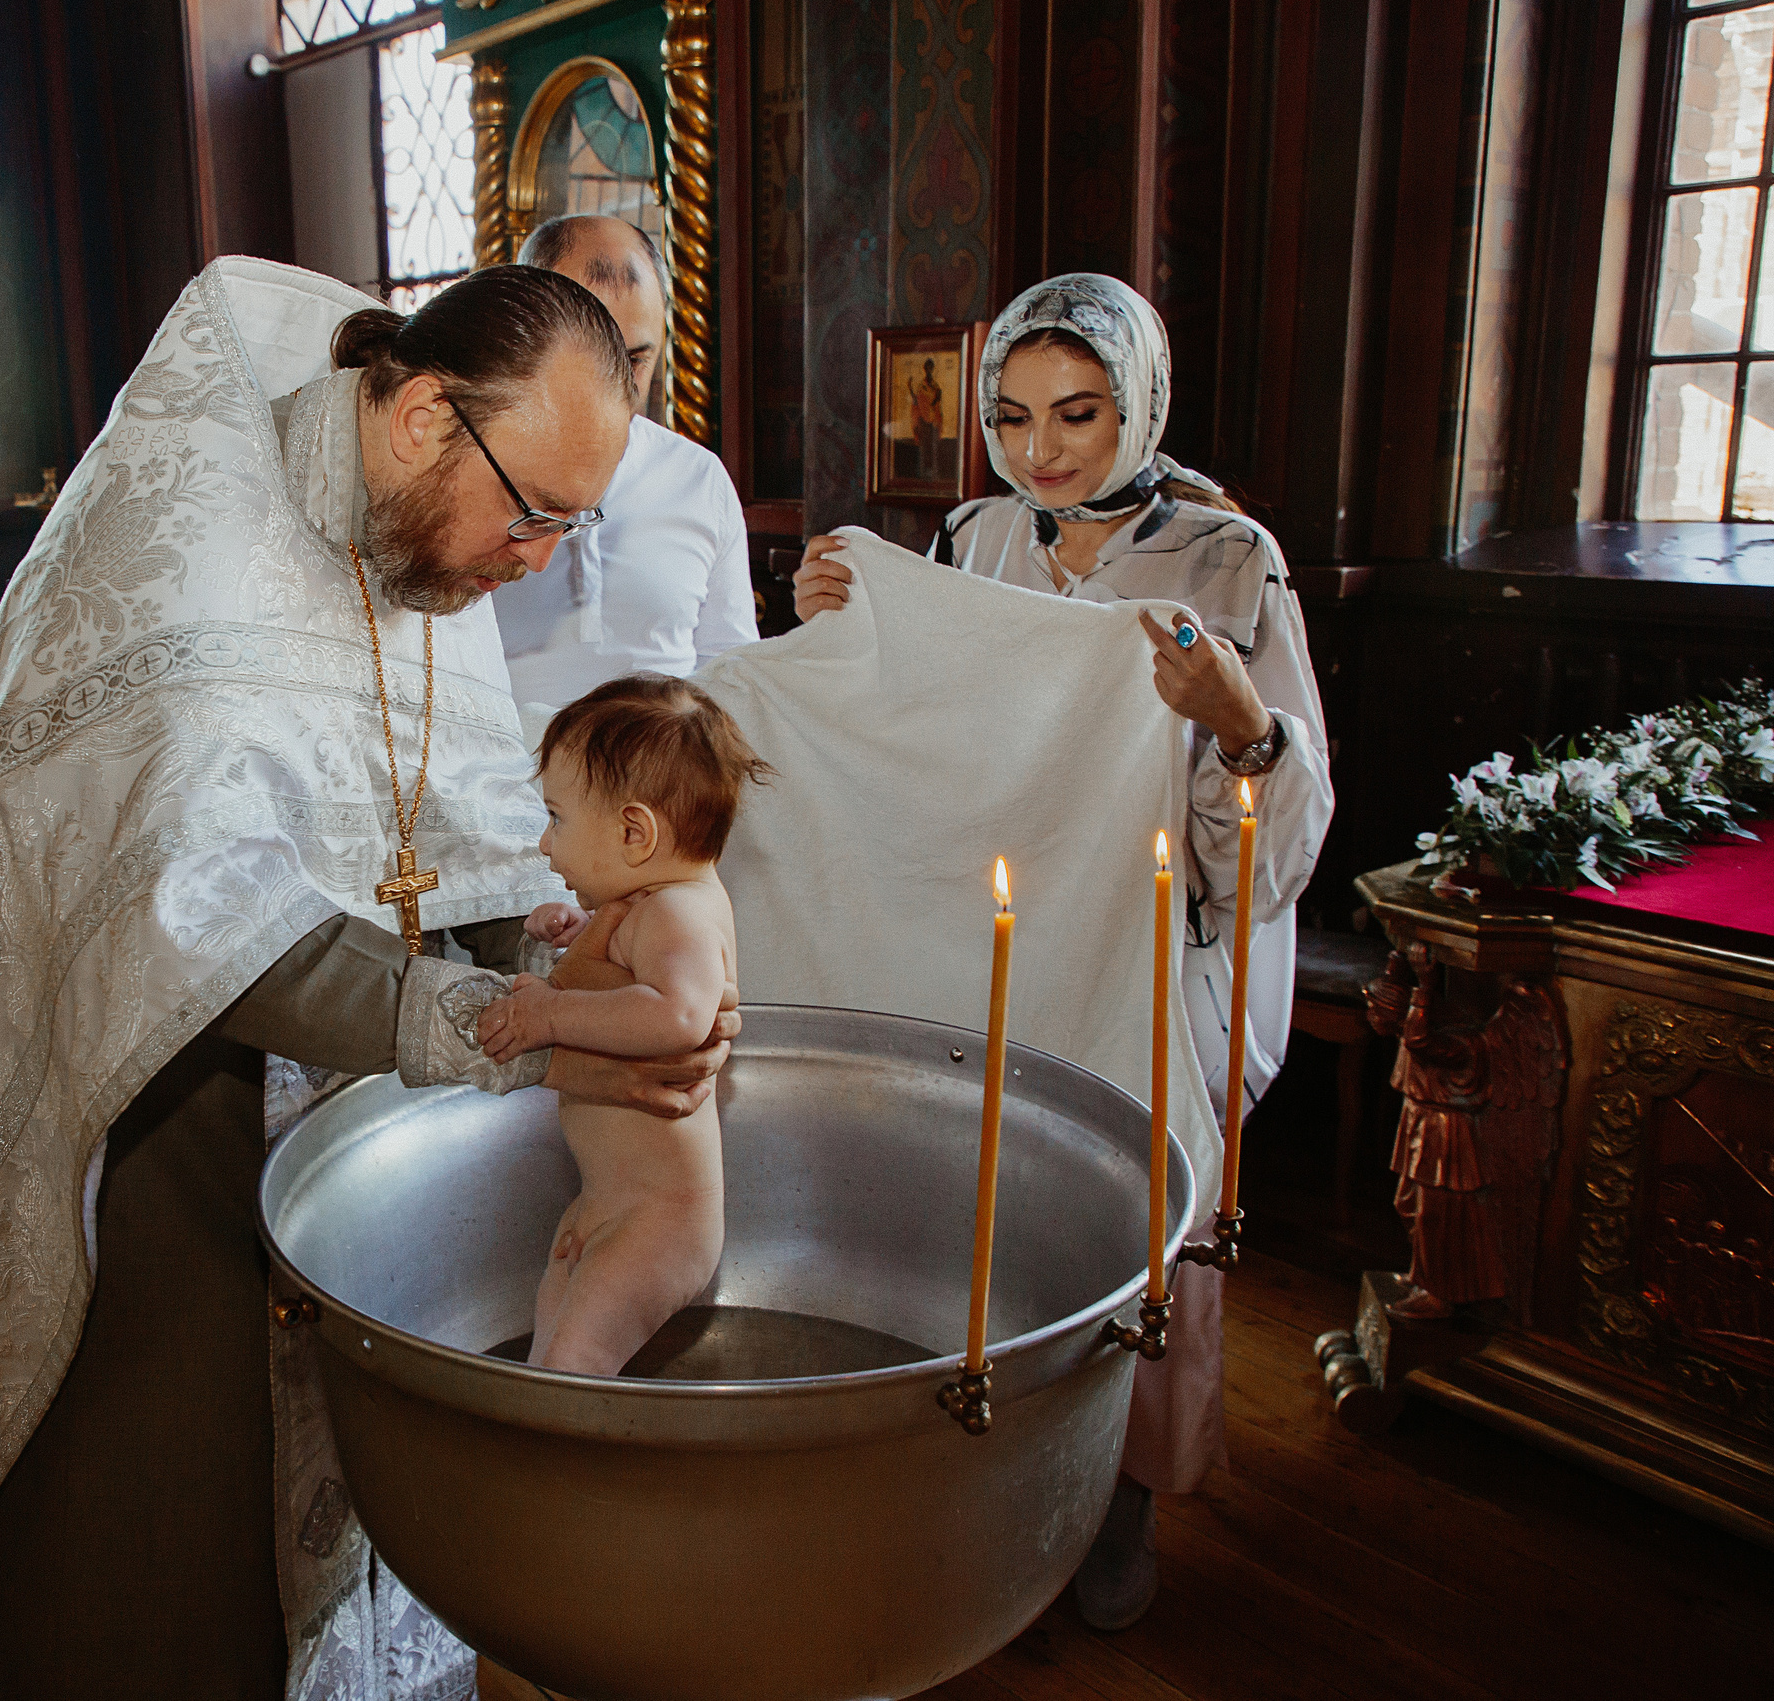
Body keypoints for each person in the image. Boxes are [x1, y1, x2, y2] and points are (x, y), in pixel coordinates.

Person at [0, 258, 743, 1701]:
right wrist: (504, 1024)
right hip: (148, 1122)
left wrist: (598, 960)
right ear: (417, 420)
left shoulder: (429, 537)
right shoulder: (191, 545)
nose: (537, 561)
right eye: (533, 514)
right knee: (158, 1558)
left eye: (571, 526)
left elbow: (456, 823)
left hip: (354, 1119)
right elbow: (192, 903)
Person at [792, 271, 1335, 1630]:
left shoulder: (1227, 560)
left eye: (1082, 414)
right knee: (994, 1209)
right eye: (1017, 415)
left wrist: (1240, 721)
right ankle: (995, 1482)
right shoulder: (976, 538)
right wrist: (841, 633)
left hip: (1157, 938)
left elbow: (1277, 848)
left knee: (1131, 1218)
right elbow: (925, 734)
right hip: (1010, 932)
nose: (1045, 449)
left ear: (1138, 402)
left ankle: (1121, 1493)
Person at [478, 674, 767, 1375]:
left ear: (634, 832)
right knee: (550, 1363)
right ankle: (544, 1478)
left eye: (557, 819)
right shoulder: (653, 901)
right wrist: (576, 938)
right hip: (609, 1203)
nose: (546, 844)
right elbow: (632, 978)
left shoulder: (682, 912)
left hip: (661, 1223)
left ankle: (581, 1482)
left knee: (572, 1367)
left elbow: (677, 1013)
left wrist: (551, 1012)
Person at [499, 215, 756, 709]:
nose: (618, 390)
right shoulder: (473, 471)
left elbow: (732, 672)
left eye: (637, 360)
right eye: (596, 356)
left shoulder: (699, 479)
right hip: (499, 777)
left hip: (662, 781)